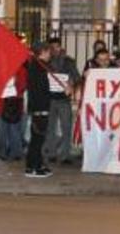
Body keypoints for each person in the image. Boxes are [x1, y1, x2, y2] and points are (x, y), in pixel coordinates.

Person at [43, 37, 80, 165]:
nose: (54, 50)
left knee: (66, 127)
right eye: (52, 48)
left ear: (60, 47)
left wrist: (71, 84)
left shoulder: (69, 61)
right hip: (49, 98)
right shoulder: (44, 62)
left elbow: (76, 77)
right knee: (50, 127)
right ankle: (51, 153)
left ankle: (65, 154)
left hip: (64, 99)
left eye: (56, 47)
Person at [25, 42, 53, 178]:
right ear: (42, 52)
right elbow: (42, 89)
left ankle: (37, 164)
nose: (50, 54)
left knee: (38, 138)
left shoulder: (39, 66)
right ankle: (33, 168)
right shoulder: (38, 68)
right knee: (37, 139)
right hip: (39, 108)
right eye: (48, 52)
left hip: (39, 107)